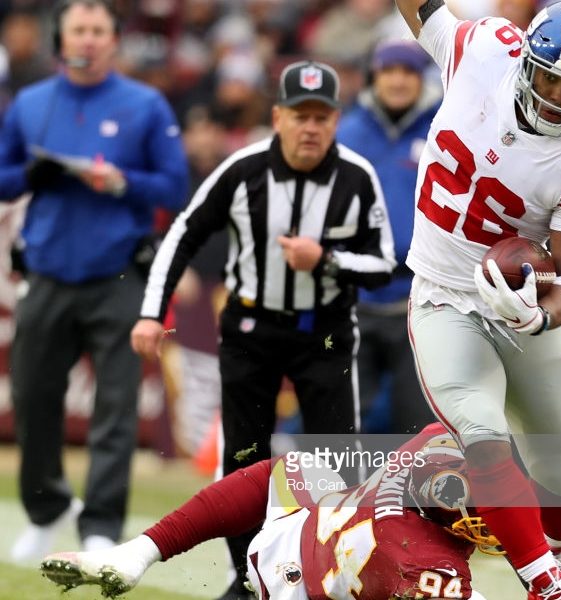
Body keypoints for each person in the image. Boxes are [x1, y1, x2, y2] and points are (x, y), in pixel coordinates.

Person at [130, 59, 396, 599]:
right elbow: (183, 234)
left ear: (336, 121)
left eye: (322, 116)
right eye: (301, 115)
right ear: (277, 116)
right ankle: (244, 579)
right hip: (251, 328)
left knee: (337, 463)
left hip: (324, 331)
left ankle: (331, 578)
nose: (311, 127)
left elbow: (384, 264)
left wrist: (326, 260)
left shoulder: (357, 177)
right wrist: (151, 311)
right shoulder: (243, 169)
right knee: (242, 460)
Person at [394, 1, 561, 599]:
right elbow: (423, 10)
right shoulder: (482, 52)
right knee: (481, 430)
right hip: (445, 296)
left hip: (518, 310)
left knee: (557, 469)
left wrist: (539, 314)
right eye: (549, 75)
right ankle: (545, 583)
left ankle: (543, 554)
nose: (555, 96)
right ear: (525, 59)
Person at [0, 0, 189, 561]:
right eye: (78, 29)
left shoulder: (145, 105)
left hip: (120, 273)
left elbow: (175, 186)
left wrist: (122, 181)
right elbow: (3, 178)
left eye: (98, 30)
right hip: (48, 272)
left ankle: (101, 524)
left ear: (113, 40)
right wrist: (29, 174)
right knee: (32, 397)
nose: (87, 39)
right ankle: (47, 506)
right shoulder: (30, 104)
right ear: (62, 40)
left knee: (116, 407)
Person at [40, 423, 491, 600]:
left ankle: (137, 551)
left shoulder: (428, 445)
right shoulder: (428, 564)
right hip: (295, 582)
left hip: (304, 533)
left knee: (296, 466)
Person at [336, 38, 440, 434]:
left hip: (420, 295)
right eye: (389, 72)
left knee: (420, 421)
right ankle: (334, 497)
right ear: (373, 78)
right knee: (343, 419)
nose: (398, 81)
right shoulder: (348, 133)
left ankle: (418, 498)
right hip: (357, 293)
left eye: (408, 72)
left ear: (421, 79)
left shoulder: (441, 128)